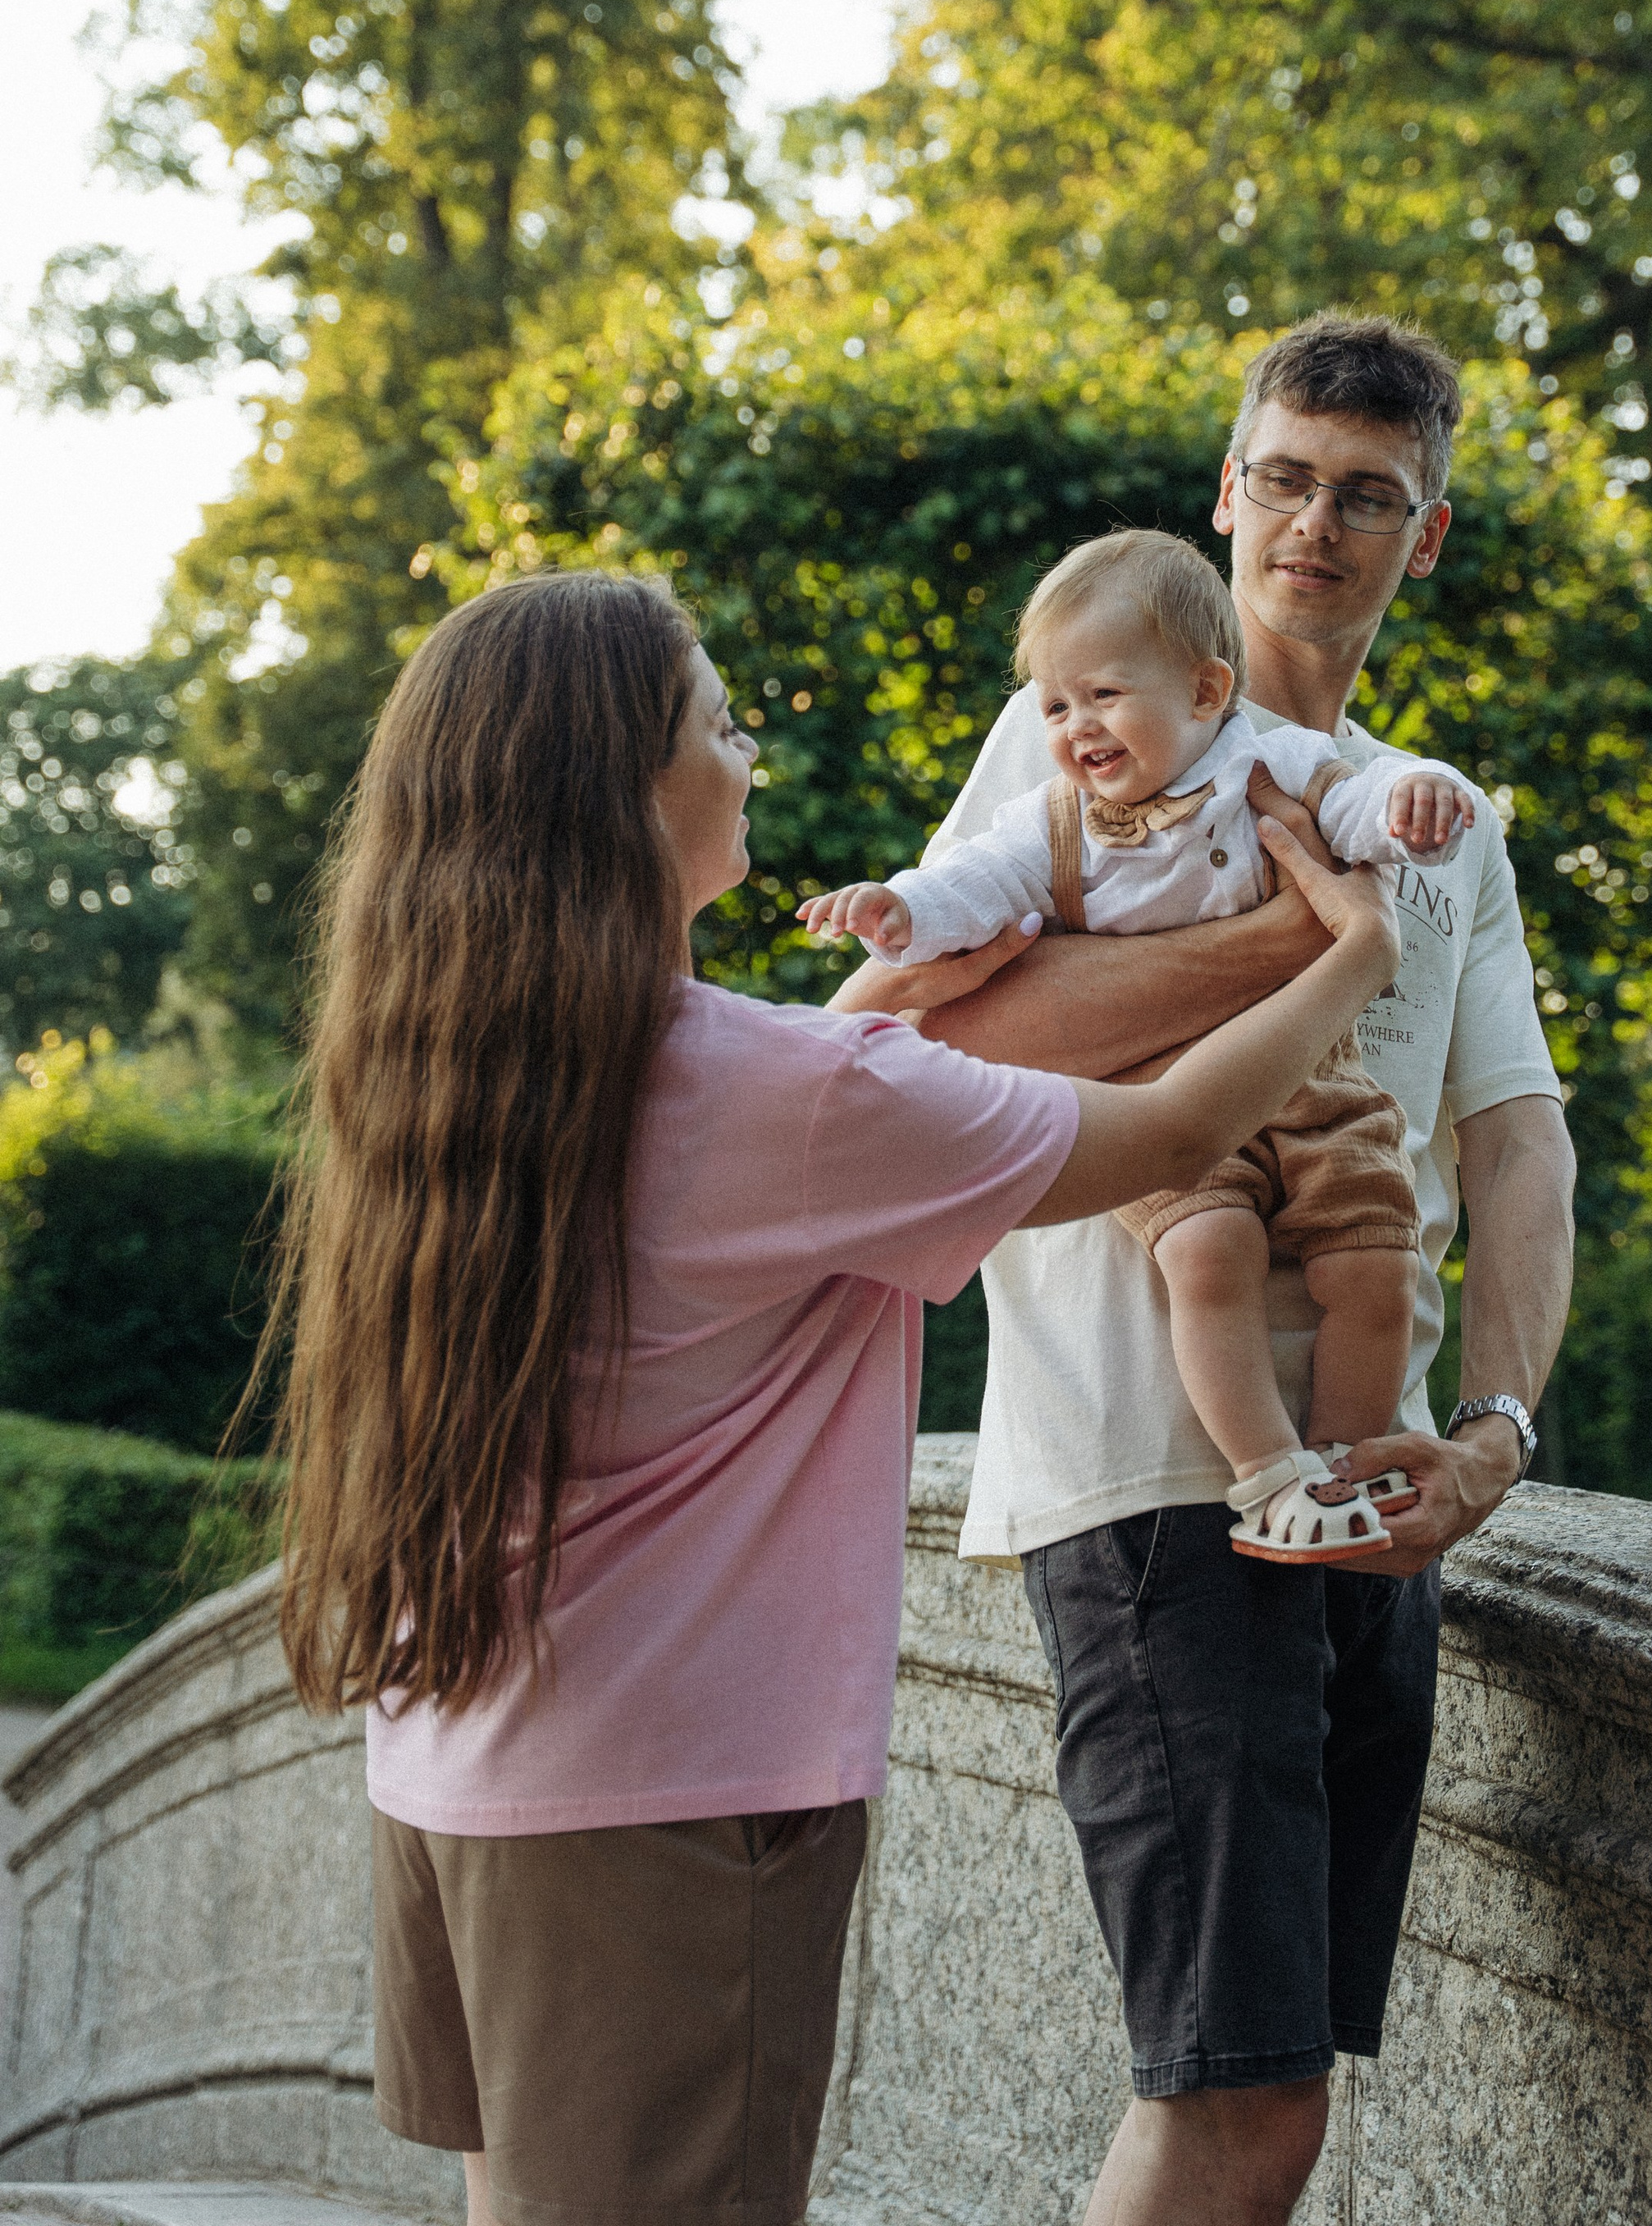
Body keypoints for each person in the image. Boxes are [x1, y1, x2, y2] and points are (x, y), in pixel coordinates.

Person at [259, 567, 1399, 2226]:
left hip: (454, 1776)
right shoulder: (765, 1096)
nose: (749, 754)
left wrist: (890, 999)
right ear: (631, 795)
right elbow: (1154, 1142)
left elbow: (839, 1068)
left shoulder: (451, 1072)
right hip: (662, 1814)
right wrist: (1342, 949)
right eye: (720, 724)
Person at [832, 314, 1576, 2226]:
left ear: (1428, 536)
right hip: (1157, 1487)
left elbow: (1510, 1144)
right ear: (1220, 488)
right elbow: (918, 1025)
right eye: (1278, 474)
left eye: (1363, 492)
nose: (1310, 520)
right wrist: (1302, 954)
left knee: (1279, 2107)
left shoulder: (1435, 816)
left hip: (1369, 1490)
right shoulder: (1089, 717)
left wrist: (1490, 1432)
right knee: (1225, 2102)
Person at [799, 525, 1475, 1564]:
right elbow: (975, 889)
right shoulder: (1053, 818)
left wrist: (1412, 803)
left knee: (1378, 1265)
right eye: (1056, 706)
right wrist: (900, 912)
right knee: (1212, 1250)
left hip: (1309, 1077)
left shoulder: (1269, 756)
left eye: (1103, 696)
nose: (1074, 728)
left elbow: (1355, 805)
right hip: (1151, 1087)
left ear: (1207, 694)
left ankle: (1346, 1468)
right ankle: (1268, 1476)